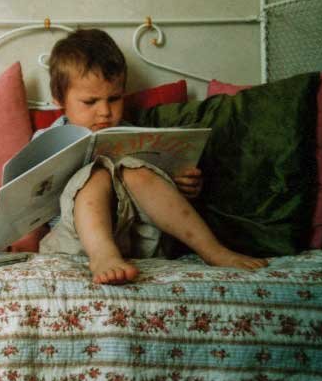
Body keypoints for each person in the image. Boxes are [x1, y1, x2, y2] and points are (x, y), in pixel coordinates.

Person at [37, 29, 268, 284]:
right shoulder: (45, 142)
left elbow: (157, 192)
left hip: (140, 238)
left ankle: (214, 251)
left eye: (114, 99)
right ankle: (103, 256)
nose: (104, 112)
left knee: (135, 171)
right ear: (59, 100)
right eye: (90, 102)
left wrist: (181, 184)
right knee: (97, 174)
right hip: (76, 241)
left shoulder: (135, 136)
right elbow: (26, 206)